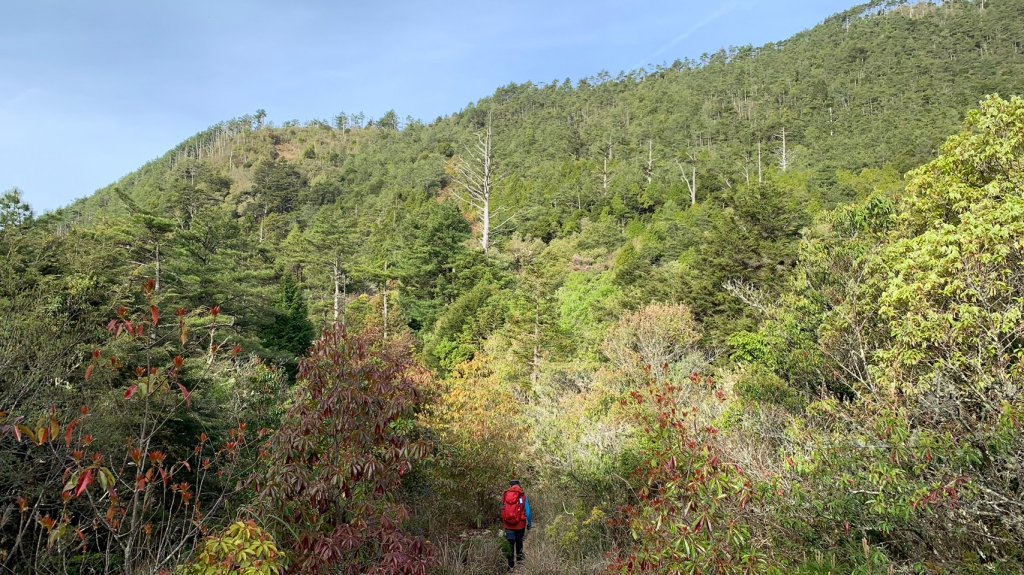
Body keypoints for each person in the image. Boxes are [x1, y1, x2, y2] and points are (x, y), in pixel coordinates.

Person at [501, 480, 532, 570]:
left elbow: (503, 509)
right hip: (520, 524)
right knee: (519, 541)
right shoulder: (522, 495)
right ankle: (519, 561)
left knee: (510, 544)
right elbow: (528, 511)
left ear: (510, 486)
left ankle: (510, 565)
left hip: (508, 525)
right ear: (519, 485)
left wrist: (504, 522)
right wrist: (529, 523)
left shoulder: (505, 495)